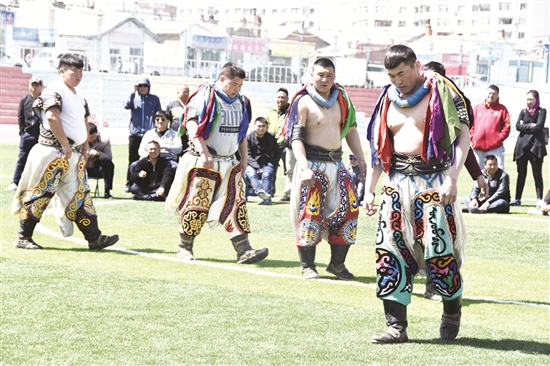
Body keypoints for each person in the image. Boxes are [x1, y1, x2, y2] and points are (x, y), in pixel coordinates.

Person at [364, 45, 470, 343]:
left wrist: (452, 179)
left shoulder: (440, 90)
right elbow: (379, 147)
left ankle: (451, 311)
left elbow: (463, 136)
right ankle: (396, 326)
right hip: (396, 184)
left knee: (441, 251)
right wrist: (369, 190)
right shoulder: (387, 98)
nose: (397, 80)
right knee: (390, 252)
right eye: (391, 75)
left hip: (434, 181)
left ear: (417, 65)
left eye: (402, 73)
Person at [11, 54, 119, 250]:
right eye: (74, 71)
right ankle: (23, 237)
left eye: (81, 71)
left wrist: (85, 146)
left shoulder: (78, 94)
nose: (78, 75)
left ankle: (94, 238)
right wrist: (66, 146)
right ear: (62, 71)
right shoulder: (53, 91)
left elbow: (84, 120)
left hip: (73, 153)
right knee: (40, 194)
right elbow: (52, 118)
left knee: (80, 195)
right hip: (52, 152)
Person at [165, 62, 269, 264]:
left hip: (230, 162)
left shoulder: (242, 102)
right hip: (203, 161)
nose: (237, 88)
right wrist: (204, 153)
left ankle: (244, 249)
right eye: (234, 84)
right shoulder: (204, 96)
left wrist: (244, 159)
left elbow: (242, 133)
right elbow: (191, 124)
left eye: (240, 85)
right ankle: (184, 247)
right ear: (222, 79)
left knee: (236, 204)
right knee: (197, 204)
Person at [284, 57, 366, 281]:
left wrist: (361, 158)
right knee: (309, 214)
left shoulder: (342, 99)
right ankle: (308, 266)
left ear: (334, 77)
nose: (324, 79)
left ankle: (337, 265)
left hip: (338, 164)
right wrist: (304, 167)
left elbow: (350, 131)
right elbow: (295, 137)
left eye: (329, 75)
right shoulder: (302, 101)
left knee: (349, 212)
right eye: (320, 74)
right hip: (312, 165)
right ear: (311, 74)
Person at [421, 61, 488, 301]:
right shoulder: (413, 99)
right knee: (412, 233)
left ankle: (434, 285)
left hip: (442, 176)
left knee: (441, 233)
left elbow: (463, 143)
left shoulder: (454, 99)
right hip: (411, 177)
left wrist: (477, 175)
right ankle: (404, 282)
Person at [123, 77, 162, 192]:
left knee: (151, 158)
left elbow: (158, 114)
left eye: (145, 86)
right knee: (133, 159)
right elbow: (126, 105)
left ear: (148, 87)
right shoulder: (134, 98)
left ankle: (150, 182)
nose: (142, 88)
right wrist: (132, 92)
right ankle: (129, 183)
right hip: (135, 134)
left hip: (149, 134)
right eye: (140, 86)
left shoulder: (154, 99)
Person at [5, 76, 43, 192]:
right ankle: (15, 182)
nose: (34, 88)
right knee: (22, 158)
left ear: (41, 87)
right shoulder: (24, 100)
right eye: (32, 85)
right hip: (27, 134)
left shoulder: (44, 100)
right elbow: (20, 116)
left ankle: (38, 183)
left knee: (40, 159)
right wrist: (22, 132)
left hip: (40, 136)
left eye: (37, 85)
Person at [511, 90, 547, 207]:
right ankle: (517, 199)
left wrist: (525, 126)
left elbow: (539, 126)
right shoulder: (523, 111)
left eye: (531, 99)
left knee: (537, 174)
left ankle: (540, 199)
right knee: (521, 174)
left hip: (536, 148)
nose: (529, 102)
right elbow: (517, 126)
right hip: (522, 148)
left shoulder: (542, 111)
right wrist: (532, 125)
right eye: (527, 99)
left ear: (537, 99)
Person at [470, 85, 510, 171]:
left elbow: (507, 126)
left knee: (499, 171)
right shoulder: (477, 108)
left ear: (497, 96)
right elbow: (470, 124)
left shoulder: (502, 109)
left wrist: (498, 139)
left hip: (495, 147)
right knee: (478, 173)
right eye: (489, 93)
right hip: (478, 147)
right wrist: (473, 137)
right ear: (486, 94)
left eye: (494, 94)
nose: (491, 95)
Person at [245, 117, 281, 205]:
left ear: (267, 127)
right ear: (254, 126)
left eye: (263, 126)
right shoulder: (249, 138)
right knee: (252, 174)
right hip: (252, 164)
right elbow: (247, 155)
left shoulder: (271, 137)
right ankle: (263, 194)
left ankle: (265, 198)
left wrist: (273, 163)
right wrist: (257, 167)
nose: (261, 128)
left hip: (267, 163)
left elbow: (277, 152)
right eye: (259, 126)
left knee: (267, 175)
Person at [267, 87, 293, 201]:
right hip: (272, 146)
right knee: (271, 169)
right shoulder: (271, 111)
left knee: (289, 170)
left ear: (287, 98)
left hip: (287, 145)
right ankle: (269, 192)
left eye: (283, 97)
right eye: (278, 97)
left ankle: (289, 193)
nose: (280, 100)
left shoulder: (292, 111)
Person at [86, 122, 115, 199]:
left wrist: (98, 154)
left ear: (97, 133)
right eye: (89, 137)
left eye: (93, 137)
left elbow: (109, 156)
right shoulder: (80, 140)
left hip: (97, 167)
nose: (91, 139)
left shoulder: (104, 140)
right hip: (83, 167)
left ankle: (107, 191)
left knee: (109, 164)